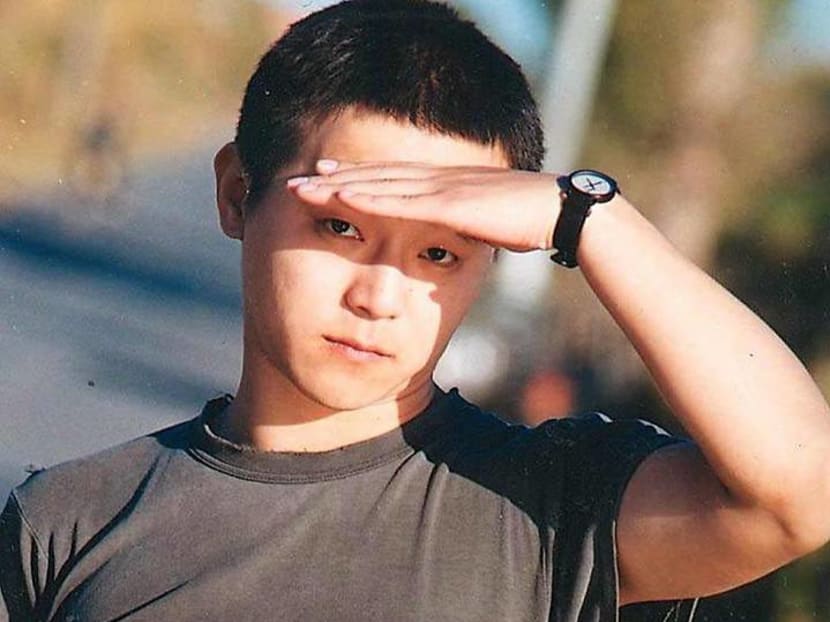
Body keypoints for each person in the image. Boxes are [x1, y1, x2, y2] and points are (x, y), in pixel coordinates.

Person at [2, 1, 829, 620]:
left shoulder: (539, 507)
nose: (378, 296)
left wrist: (589, 217)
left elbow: (802, 492)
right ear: (235, 192)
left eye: (440, 253)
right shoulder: (70, 518)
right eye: (341, 227)